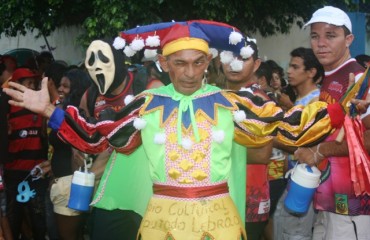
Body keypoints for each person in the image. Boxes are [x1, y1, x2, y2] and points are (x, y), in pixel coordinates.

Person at [4, 20, 348, 240]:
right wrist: (49, 109)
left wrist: (342, 110)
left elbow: (288, 128)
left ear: (208, 63)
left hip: (219, 221)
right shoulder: (146, 103)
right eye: (180, 64)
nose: (189, 73)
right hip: (161, 221)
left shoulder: (230, 102)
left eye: (198, 63)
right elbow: (96, 136)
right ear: (164, 64)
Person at [294, 6, 370, 240]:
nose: (321, 43)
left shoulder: (359, 79)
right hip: (327, 200)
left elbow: (368, 140)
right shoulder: (329, 77)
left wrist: (318, 151)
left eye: (330, 35)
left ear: (349, 39)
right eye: (315, 36)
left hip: (354, 206)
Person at [221, 38, 273, 240]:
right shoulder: (217, 96)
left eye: (243, 58)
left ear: (257, 64)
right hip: (220, 194)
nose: (235, 64)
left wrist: (211, 149)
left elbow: (262, 154)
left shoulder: (261, 101)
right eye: (230, 57)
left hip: (250, 197)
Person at [273, 47, 324, 240]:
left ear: (311, 72)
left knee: (294, 233)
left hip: (305, 182)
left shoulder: (316, 101)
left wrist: (273, 140)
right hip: (293, 178)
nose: (289, 71)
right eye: (289, 66)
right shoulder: (301, 101)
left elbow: (307, 146)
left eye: (295, 67)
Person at [5, 68, 49, 240]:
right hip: (13, 173)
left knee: (38, 217)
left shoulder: (40, 107)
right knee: (13, 217)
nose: (32, 86)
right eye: (28, 83)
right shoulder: (7, 109)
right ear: (17, 86)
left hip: (37, 172)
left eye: (34, 83)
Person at [48, 68, 91, 240]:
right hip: (63, 182)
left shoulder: (77, 117)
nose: (60, 89)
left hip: (70, 185)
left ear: (77, 90)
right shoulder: (64, 113)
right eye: (59, 85)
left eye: (65, 86)